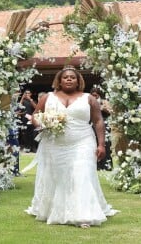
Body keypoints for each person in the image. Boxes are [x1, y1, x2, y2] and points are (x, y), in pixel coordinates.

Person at [26, 66, 118, 228]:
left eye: (72, 77)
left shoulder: (89, 98)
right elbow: (35, 117)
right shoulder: (48, 97)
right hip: (54, 144)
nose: (69, 79)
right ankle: (55, 209)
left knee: (81, 174)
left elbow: (98, 121)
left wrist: (101, 144)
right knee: (58, 178)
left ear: (78, 81)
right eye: (65, 77)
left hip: (82, 141)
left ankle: (83, 215)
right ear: (59, 81)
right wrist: (43, 123)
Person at [90, 87, 113, 170]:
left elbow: (111, 111)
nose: (94, 96)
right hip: (93, 126)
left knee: (106, 144)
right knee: (94, 144)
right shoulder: (90, 102)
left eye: (96, 95)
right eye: (93, 95)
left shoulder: (104, 102)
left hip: (105, 125)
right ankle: (97, 165)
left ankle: (106, 165)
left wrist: (102, 108)